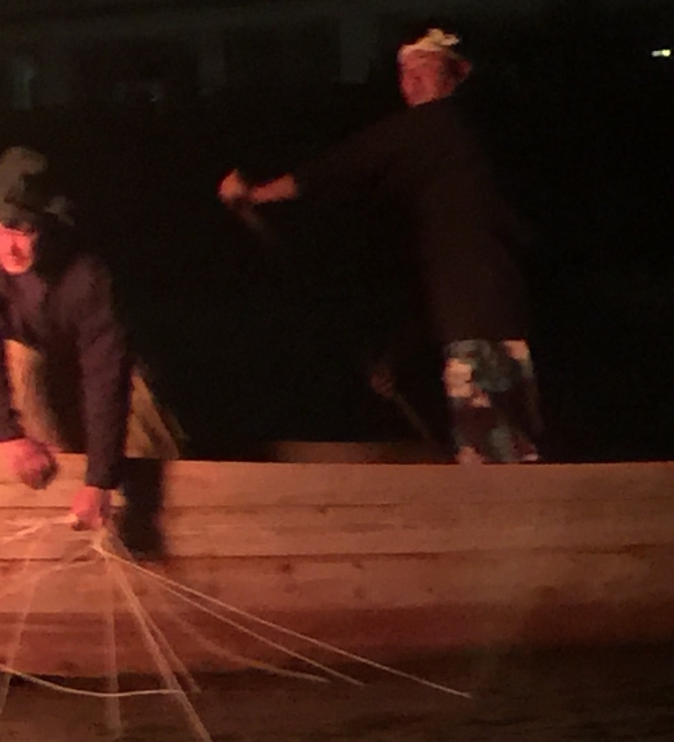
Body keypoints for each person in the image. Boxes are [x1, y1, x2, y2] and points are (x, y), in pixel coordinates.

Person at [219, 28, 541, 464]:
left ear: (453, 75)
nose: (412, 81)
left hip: (480, 325)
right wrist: (393, 357)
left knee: (491, 459)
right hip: (496, 319)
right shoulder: (456, 147)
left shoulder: (442, 123)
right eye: (405, 72)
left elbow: (345, 166)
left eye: (425, 68)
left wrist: (255, 194)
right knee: (512, 448)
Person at [0, 146, 174, 529]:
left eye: (23, 231)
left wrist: (100, 480)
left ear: (46, 224)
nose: (8, 247)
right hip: (27, 360)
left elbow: (105, 372)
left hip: (87, 364)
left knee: (137, 432)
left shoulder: (88, 274)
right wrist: (8, 434)